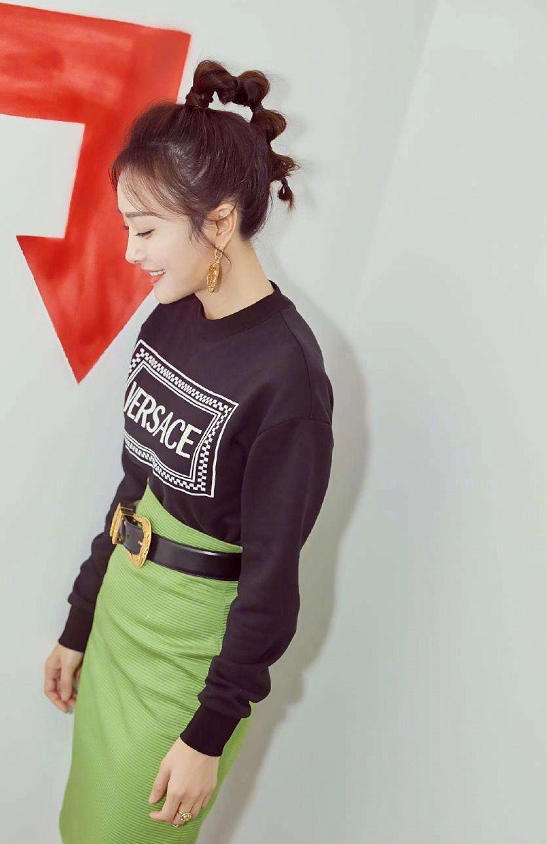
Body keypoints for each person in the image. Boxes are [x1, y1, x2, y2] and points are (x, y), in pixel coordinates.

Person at [44, 57, 335, 842]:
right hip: (122, 615)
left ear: (218, 221)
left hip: (190, 659)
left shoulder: (287, 377)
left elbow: (272, 579)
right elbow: (134, 482)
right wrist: (81, 617)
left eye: (145, 231)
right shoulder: (169, 316)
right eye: (127, 229)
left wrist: (208, 734)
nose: (131, 252)